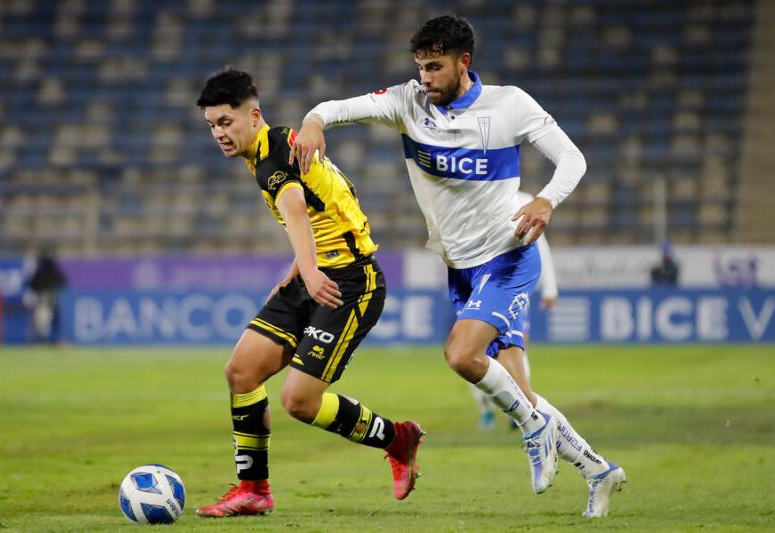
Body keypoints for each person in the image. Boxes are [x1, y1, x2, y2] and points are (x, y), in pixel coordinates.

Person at [291, 15, 625, 517]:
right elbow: (335, 108)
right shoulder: (407, 102)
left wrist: (547, 201)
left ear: (463, 63)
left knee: (460, 354)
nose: (425, 77)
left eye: (435, 67)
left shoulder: (510, 105)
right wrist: (315, 122)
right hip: (461, 268)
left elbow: (572, 158)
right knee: (520, 389)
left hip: (508, 256)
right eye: (420, 67)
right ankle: (598, 470)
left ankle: (534, 430)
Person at [195, 69, 424, 518]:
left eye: (226, 122)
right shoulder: (274, 147)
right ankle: (253, 489)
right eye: (211, 126)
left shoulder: (272, 157)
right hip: (314, 274)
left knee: (298, 402)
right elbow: (330, 202)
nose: (219, 133)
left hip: (350, 283)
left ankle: (398, 439)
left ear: (253, 114)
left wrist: (313, 271)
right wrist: (299, 270)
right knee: (241, 372)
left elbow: (297, 211)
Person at [470, 191, 558, 430]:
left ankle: (520, 408)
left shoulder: (524, 200)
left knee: (515, 349)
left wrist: (549, 288)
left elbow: (541, 245)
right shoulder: (474, 197)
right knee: (475, 352)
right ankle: (487, 409)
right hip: (482, 287)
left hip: (514, 287)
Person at [24, 249, 67, 344]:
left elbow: (32, 284)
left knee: (42, 321)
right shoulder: (51, 270)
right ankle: (51, 339)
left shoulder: (42, 271)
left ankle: (43, 340)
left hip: (46, 300)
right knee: (44, 321)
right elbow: (63, 282)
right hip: (48, 300)